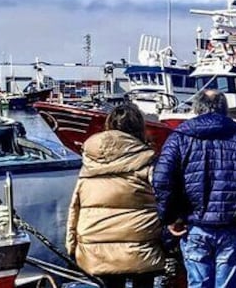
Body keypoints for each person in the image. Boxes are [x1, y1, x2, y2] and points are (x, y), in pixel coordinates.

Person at [153, 90, 236, 288]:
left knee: (198, 283)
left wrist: (170, 217)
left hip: (194, 224)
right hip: (231, 224)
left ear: (197, 108)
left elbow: (161, 180)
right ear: (225, 109)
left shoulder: (179, 137)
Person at [66, 102, 165, 288]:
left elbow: (75, 205)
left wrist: (71, 244)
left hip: (97, 242)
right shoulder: (148, 160)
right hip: (141, 242)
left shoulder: (89, 162)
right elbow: (163, 199)